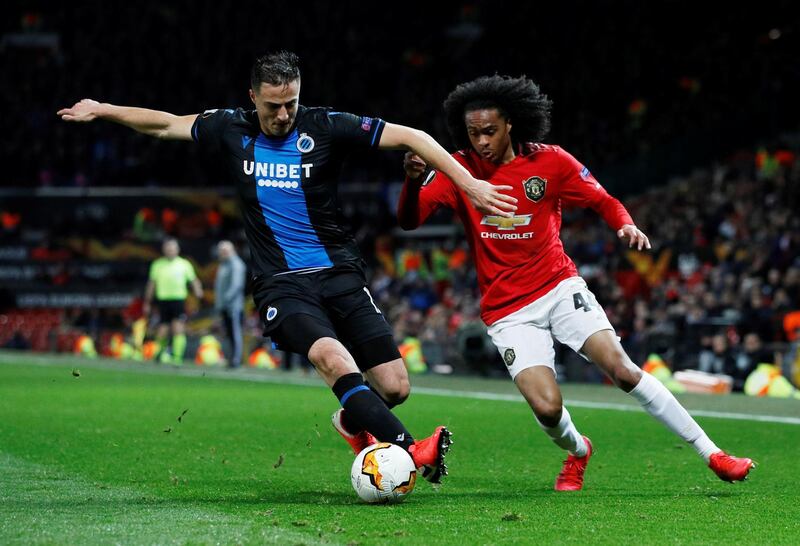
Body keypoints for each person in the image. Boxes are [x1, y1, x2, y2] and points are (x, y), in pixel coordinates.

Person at [57, 51, 516, 483]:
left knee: (395, 386)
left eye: (291, 104)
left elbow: (413, 137)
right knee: (330, 358)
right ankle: (411, 450)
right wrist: (104, 107)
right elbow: (164, 125)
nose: (283, 115)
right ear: (253, 96)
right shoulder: (230, 128)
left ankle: (350, 422)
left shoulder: (326, 126)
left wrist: (470, 185)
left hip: (340, 274)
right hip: (281, 285)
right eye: (273, 105)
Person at [398, 74, 754, 490]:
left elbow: (604, 200)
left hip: (558, 287)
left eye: (490, 131)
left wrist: (624, 225)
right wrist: (410, 180)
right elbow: (409, 220)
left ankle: (713, 453)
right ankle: (578, 450)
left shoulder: (551, 162)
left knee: (623, 371)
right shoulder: (458, 170)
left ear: (510, 124)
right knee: (548, 409)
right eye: (473, 133)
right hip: (507, 311)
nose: (481, 141)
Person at [143, 238, 203, 365]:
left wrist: (198, 291)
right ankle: (160, 352)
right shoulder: (157, 264)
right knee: (163, 328)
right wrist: (147, 302)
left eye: (172, 248)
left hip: (178, 300)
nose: (170, 250)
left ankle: (177, 356)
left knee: (178, 327)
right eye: (168, 248)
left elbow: (193, 280)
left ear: (177, 249)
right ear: (164, 250)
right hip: (163, 300)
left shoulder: (184, 264)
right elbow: (151, 284)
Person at [214, 240, 247, 368]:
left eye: (225, 250)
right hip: (225, 306)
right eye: (221, 250)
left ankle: (236, 360)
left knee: (235, 332)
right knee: (229, 333)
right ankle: (231, 357)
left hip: (233, 306)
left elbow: (236, 285)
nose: (222, 253)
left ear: (232, 250)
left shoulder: (236, 264)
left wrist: (226, 300)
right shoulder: (224, 264)